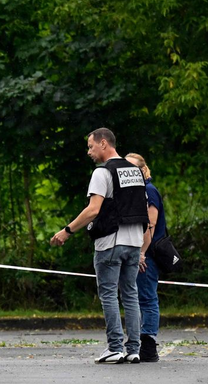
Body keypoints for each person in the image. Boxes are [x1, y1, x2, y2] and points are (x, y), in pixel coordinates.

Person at [50, 128, 150, 363]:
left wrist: (67, 231)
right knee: (131, 295)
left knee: (108, 294)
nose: (89, 152)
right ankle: (134, 349)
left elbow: (93, 209)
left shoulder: (102, 172)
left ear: (103, 143)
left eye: (91, 146)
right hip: (135, 242)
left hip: (111, 242)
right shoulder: (135, 171)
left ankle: (115, 347)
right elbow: (142, 208)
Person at [124, 152, 165, 362]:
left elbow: (151, 224)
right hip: (139, 251)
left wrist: (141, 253)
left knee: (147, 297)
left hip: (147, 253)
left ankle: (149, 345)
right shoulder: (137, 191)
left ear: (141, 170)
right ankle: (141, 341)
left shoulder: (149, 190)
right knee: (139, 297)